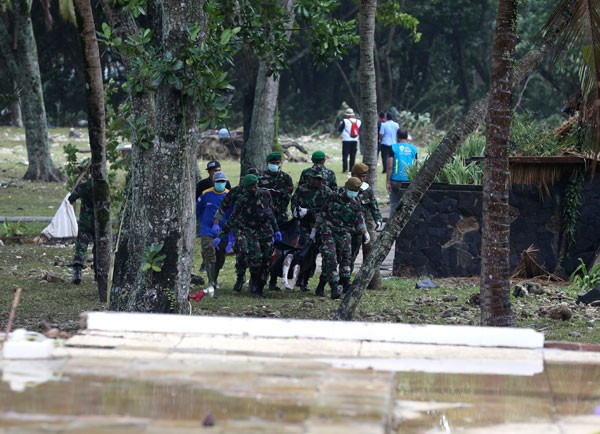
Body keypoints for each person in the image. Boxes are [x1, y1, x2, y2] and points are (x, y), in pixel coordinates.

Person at [310, 177, 369, 299]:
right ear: (346, 188)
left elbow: (359, 220)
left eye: (356, 190)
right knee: (330, 257)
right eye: (352, 190)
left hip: (345, 233)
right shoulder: (332, 197)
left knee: (346, 259)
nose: (354, 192)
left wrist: (365, 232)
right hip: (329, 231)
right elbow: (322, 214)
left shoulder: (355, 203)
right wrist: (314, 229)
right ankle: (334, 286)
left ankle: (343, 284)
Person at [228, 174, 281, 297]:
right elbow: (233, 218)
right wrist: (221, 234)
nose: (253, 189)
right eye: (250, 187)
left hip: (266, 232)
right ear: (246, 188)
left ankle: (260, 287)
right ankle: (254, 282)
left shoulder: (266, 195)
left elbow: (270, 213)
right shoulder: (242, 200)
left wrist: (276, 230)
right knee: (256, 259)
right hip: (251, 232)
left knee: (266, 261)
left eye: (255, 186)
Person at [213, 168, 260, 292]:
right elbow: (222, 207)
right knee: (242, 251)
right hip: (238, 226)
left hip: (256, 228)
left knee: (256, 255)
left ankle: (254, 280)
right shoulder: (236, 191)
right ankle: (240, 277)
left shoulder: (262, 193)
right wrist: (217, 224)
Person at [291, 167, 333, 293]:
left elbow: (329, 209)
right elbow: (294, 203)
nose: (318, 182)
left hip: (319, 227)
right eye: (316, 179)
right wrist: (297, 211)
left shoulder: (326, 191)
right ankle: (299, 277)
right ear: (310, 179)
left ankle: (306, 280)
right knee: (304, 252)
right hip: (304, 226)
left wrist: (313, 212)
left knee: (314, 254)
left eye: (320, 180)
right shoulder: (302, 190)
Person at [189, 171, 230, 301]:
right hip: (207, 229)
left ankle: (215, 278)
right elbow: (198, 209)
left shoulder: (229, 195)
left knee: (220, 256)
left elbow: (233, 212)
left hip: (223, 230)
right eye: (218, 182)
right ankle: (211, 282)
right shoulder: (206, 194)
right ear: (214, 182)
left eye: (222, 181)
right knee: (208, 252)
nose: (220, 184)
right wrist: (199, 223)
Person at [258, 151, 294, 291]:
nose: (275, 165)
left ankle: (273, 280)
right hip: (264, 219)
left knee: (279, 249)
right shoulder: (260, 178)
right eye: (272, 163)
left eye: (277, 163)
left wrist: (275, 193)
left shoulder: (286, 178)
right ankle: (260, 279)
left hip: (280, 218)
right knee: (264, 248)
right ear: (268, 163)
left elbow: (287, 196)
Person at [349, 163, 384, 287]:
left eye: (364, 176)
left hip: (360, 229)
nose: (362, 179)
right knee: (345, 257)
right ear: (353, 175)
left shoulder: (367, 189)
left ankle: (347, 281)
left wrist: (378, 220)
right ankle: (344, 280)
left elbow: (374, 206)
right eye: (360, 176)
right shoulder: (348, 187)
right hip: (345, 229)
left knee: (353, 254)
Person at [69, 167, 94, 285]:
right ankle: (99, 275)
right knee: (99, 248)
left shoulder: (84, 186)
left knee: (81, 247)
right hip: (99, 224)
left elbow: (71, 198)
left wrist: (79, 181)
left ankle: (77, 272)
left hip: (85, 222)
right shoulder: (103, 188)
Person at [387, 128, 418, 214]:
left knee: (394, 203)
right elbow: (415, 165)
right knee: (407, 204)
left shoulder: (393, 148)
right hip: (409, 180)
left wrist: (388, 182)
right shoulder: (414, 149)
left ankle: (392, 225)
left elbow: (390, 166)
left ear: (397, 136)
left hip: (395, 179)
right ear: (407, 137)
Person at [338, 108, 361, 173]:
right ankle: (352, 169)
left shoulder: (344, 121)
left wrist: (341, 124)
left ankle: (345, 169)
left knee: (345, 155)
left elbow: (340, 129)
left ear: (347, 115)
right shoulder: (358, 121)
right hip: (355, 140)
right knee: (353, 155)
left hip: (346, 140)